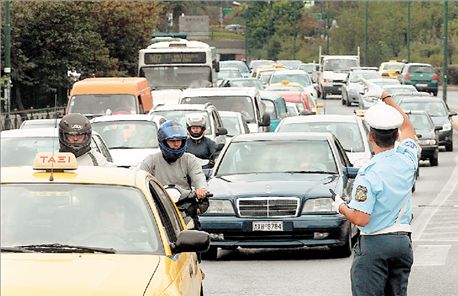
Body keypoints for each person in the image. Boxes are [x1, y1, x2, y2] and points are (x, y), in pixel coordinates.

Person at [332, 79, 419, 296]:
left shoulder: (369, 173)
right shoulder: (408, 158)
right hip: (402, 243)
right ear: (396, 135)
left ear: (370, 136)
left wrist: (340, 206)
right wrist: (385, 95)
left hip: (375, 243)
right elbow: (407, 125)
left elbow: (361, 219)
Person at [139, 120, 208, 200]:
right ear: (163, 141)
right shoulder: (151, 160)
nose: (176, 144)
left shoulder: (190, 159)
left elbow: (198, 176)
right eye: (172, 141)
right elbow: (141, 179)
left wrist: (201, 189)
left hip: (185, 203)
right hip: (159, 202)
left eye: (179, 140)